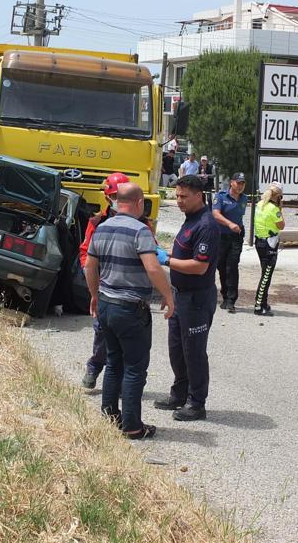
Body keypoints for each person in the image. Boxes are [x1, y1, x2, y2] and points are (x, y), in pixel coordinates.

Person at [84, 182, 175, 440]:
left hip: (106, 303)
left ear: (115, 202)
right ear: (138, 203)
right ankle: (133, 426)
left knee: (113, 362)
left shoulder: (101, 229)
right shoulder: (141, 231)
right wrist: (168, 295)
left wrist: (94, 295)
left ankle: (110, 416)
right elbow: (153, 268)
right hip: (131, 308)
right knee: (135, 368)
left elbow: (90, 267)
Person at [154, 175, 220, 421]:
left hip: (197, 299)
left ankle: (196, 402)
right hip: (181, 296)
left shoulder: (206, 225)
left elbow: (198, 266)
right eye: (177, 196)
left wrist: (167, 260)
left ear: (198, 196)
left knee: (194, 351)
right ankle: (179, 394)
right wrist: (170, 288)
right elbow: (184, 252)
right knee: (177, 349)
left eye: (183, 197)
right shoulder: (190, 220)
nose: (178, 201)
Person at [79, 172, 131, 389]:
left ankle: (120, 380)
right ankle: (94, 367)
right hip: (104, 286)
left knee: (127, 338)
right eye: (115, 196)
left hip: (129, 288)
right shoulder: (96, 221)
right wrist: (90, 275)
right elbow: (85, 252)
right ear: (107, 197)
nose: (118, 201)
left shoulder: (140, 222)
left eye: (122, 196)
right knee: (102, 332)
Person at [212, 172, 247, 313]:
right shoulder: (221, 196)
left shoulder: (244, 198)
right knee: (221, 265)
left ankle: (231, 300)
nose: (240, 186)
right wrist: (229, 224)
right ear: (231, 182)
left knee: (232, 266)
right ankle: (225, 296)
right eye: (238, 183)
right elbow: (215, 214)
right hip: (221, 235)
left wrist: (235, 227)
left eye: (243, 183)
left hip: (236, 236)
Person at [253, 183, 285, 316]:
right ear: (277, 196)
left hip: (260, 242)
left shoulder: (260, 204)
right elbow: (282, 225)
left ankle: (263, 302)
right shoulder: (274, 209)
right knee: (266, 276)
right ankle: (258, 306)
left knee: (265, 273)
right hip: (269, 244)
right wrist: (280, 209)